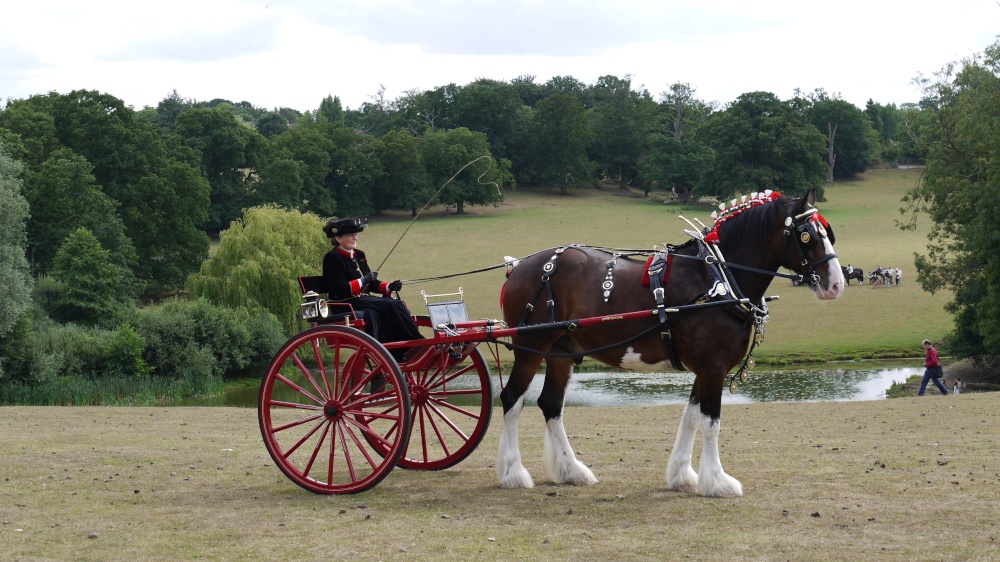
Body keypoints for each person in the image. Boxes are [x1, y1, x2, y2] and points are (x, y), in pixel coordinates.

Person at [321, 217, 423, 361]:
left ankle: (403, 349)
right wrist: (363, 280)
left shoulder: (359, 255)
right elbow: (339, 290)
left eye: (356, 234)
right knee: (390, 305)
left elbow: (372, 283)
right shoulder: (332, 258)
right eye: (351, 235)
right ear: (338, 238)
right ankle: (414, 343)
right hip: (345, 304)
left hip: (363, 301)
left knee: (396, 303)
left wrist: (389, 286)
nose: (355, 238)